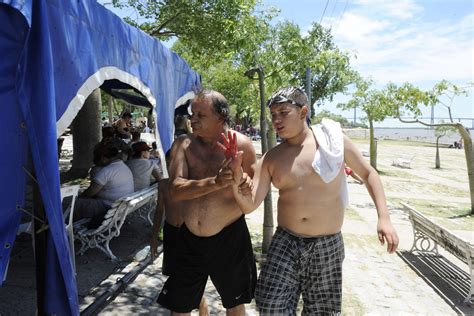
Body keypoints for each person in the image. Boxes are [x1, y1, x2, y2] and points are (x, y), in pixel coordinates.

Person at [229, 86, 399, 315]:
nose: (276, 120)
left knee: (322, 311)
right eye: (273, 115)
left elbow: (369, 174)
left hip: (326, 243)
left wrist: (384, 218)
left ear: (303, 111)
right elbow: (250, 205)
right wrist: (237, 183)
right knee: (270, 305)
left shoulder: (333, 143)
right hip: (286, 241)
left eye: (283, 112)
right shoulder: (272, 158)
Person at [156, 90, 257, 315]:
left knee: (235, 304)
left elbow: (251, 198)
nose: (193, 119)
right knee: (178, 305)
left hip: (230, 237)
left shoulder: (243, 145)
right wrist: (217, 182)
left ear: (220, 117)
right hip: (189, 238)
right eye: (193, 114)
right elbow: (174, 191)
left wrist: (242, 181)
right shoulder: (183, 144)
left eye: (200, 115)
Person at [150, 150, 209, 315]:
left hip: (188, 234)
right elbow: (159, 210)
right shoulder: (163, 184)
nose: (172, 167)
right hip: (170, 233)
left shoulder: (191, 185)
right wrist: (153, 237)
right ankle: (196, 302)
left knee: (187, 280)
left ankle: (198, 305)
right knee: (175, 276)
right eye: (169, 163)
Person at [74, 143, 134, 226]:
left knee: (76, 203)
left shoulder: (107, 171)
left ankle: (73, 228)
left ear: (103, 158)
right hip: (121, 206)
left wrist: (79, 197)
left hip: (109, 206)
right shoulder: (123, 166)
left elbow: (91, 192)